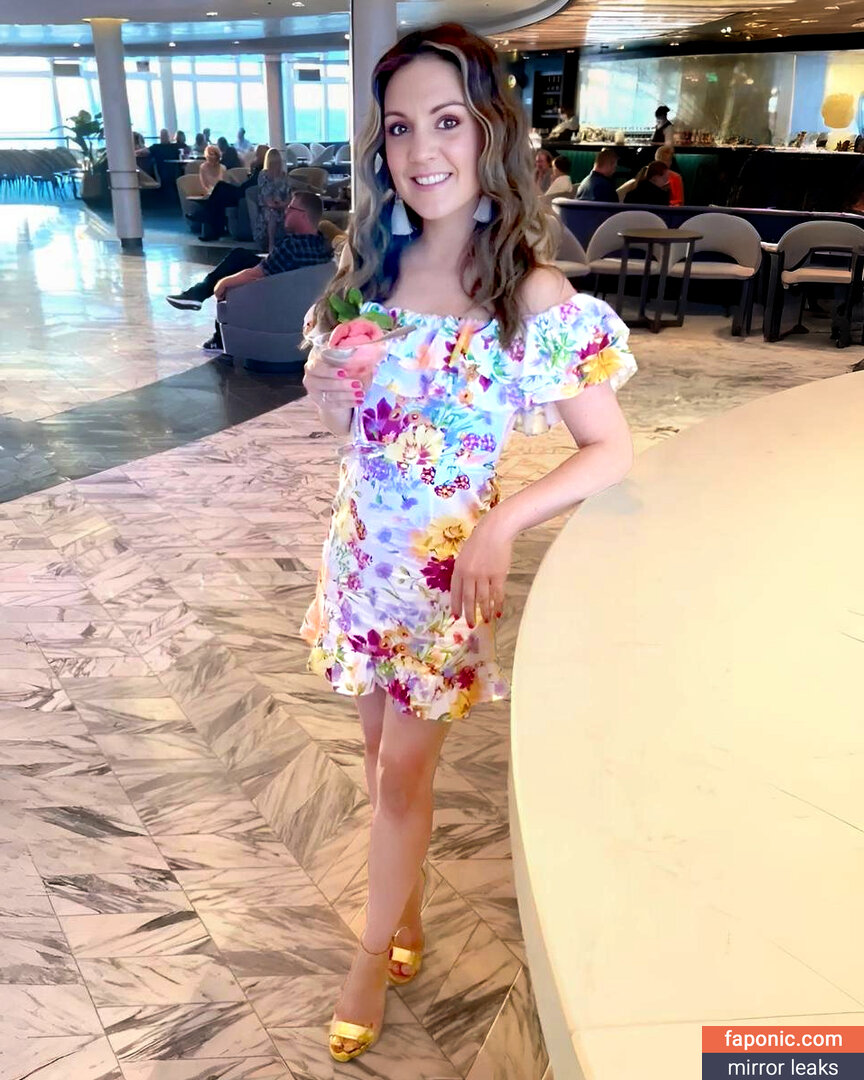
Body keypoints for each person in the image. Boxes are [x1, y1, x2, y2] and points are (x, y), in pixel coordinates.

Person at [300, 21, 636, 1064]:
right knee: (376, 761)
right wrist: (325, 387)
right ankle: (402, 912)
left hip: (445, 584)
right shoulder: (370, 269)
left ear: (489, 131)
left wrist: (502, 522)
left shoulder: (529, 294)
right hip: (361, 563)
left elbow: (610, 449)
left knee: (402, 777)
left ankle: (370, 956)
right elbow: (347, 424)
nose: (422, 149)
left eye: (446, 120)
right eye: (400, 128)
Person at [165, 191, 332, 352]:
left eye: (291, 208)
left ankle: (215, 330)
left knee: (234, 275)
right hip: (297, 294)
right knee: (241, 256)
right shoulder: (322, 244)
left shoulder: (291, 246)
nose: (285, 211)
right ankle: (197, 295)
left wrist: (223, 283)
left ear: (303, 215)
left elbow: (254, 274)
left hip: (275, 297)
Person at [189, 143, 269, 241]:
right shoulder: (260, 168)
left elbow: (250, 184)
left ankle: (204, 215)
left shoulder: (261, 170)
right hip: (244, 191)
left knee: (221, 187)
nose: (255, 156)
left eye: (257, 154)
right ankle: (212, 226)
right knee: (219, 197)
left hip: (244, 193)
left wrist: (253, 168)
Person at [256, 147, 290, 250]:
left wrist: (284, 204)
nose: (276, 165)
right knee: (272, 214)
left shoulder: (284, 176)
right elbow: (265, 196)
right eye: (273, 163)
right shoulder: (263, 175)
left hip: (283, 205)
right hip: (268, 206)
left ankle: (290, 244)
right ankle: (271, 244)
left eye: (278, 162)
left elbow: (289, 194)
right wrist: (274, 180)